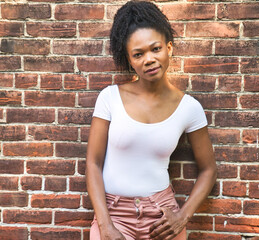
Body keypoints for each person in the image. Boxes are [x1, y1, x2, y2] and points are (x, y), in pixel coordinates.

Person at [85, 1, 217, 239]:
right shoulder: (110, 98)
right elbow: (93, 164)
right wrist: (105, 225)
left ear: (169, 48)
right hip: (114, 215)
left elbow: (208, 170)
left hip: (162, 218)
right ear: (129, 60)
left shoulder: (189, 108)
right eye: (138, 54)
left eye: (155, 49)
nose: (148, 59)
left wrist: (182, 216)